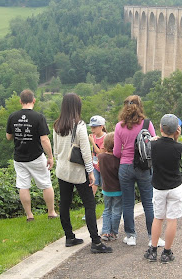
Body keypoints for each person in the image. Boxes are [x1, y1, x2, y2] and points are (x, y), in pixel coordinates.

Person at [53, 93, 112, 253]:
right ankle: (96, 242)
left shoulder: (57, 125)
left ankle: (69, 237)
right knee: (89, 204)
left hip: (62, 170)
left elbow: (56, 150)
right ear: (76, 107)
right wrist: (91, 172)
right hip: (78, 172)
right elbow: (86, 153)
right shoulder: (79, 126)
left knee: (64, 203)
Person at [114, 95, 164, 247]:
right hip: (144, 167)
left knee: (128, 203)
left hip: (125, 167)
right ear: (140, 106)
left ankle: (130, 236)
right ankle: (152, 237)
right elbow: (154, 144)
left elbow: (116, 152)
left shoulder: (119, 126)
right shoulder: (147, 124)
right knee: (148, 203)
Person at [6, 89, 58, 221]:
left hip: (19, 157)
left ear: (20, 101)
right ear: (33, 100)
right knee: (45, 183)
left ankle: (29, 215)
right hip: (36, 156)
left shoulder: (13, 116)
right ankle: (51, 212)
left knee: (23, 186)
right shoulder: (38, 117)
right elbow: (44, 140)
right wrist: (50, 157)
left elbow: (8, 137)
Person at [145, 114, 182, 263]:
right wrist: (176, 138)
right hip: (175, 186)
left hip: (158, 186)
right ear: (177, 130)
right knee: (172, 219)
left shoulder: (153, 145)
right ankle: (167, 252)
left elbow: (151, 145)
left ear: (160, 128)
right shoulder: (178, 147)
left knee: (158, 217)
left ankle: (153, 250)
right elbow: (173, 147)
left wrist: (154, 139)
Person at [97, 132, 122, 241]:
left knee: (107, 210)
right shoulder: (119, 159)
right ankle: (113, 232)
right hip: (118, 189)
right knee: (116, 210)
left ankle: (105, 232)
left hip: (106, 189)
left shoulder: (101, 157)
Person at [88, 115, 107, 197]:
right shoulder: (94, 136)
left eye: (94, 127)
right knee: (93, 183)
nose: (92, 130)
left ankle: (107, 202)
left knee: (104, 185)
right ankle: (91, 202)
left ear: (101, 127)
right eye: (91, 127)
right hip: (95, 164)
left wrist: (92, 142)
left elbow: (100, 152)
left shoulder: (106, 137)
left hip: (103, 165)